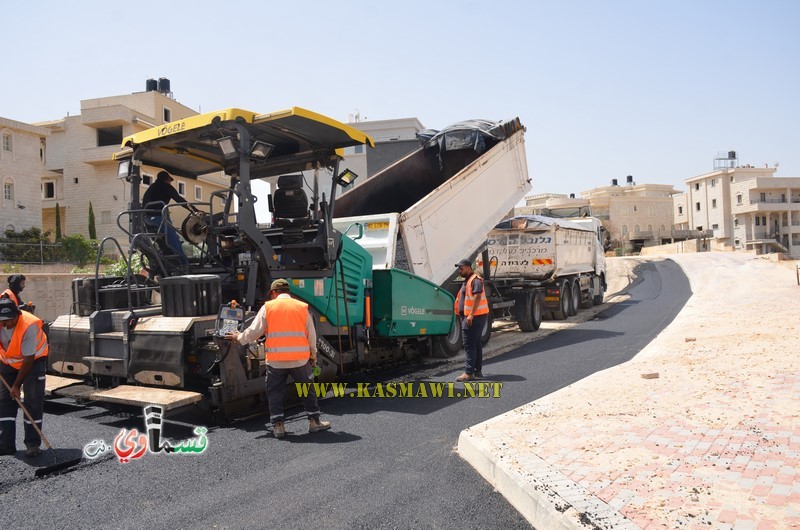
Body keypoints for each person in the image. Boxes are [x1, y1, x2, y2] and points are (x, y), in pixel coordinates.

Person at [225, 279, 331, 439]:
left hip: (276, 360)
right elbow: (311, 334)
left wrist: (238, 337)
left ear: (274, 293)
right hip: (299, 359)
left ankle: (279, 426)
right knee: (307, 389)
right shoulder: (302, 307)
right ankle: (314, 422)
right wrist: (313, 355)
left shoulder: (268, 307)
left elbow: (254, 332)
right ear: (288, 292)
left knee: (275, 392)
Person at [0, 298, 49, 457]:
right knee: (5, 401)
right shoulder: (2, 323)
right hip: (8, 362)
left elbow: (28, 359)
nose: (5, 324)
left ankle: (33, 444)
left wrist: (16, 385)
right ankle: (6, 445)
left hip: (33, 362)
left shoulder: (29, 325)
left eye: (9, 320)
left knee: (32, 400)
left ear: (17, 315)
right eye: (2, 321)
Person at [141, 170, 190, 266]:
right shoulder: (167, 187)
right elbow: (179, 199)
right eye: (169, 180)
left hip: (147, 219)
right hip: (159, 218)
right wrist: (194, 210)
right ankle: (184, 264)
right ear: (167, 179)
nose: (170, 182)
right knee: (173, 239)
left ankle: (169, 260)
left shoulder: (151, 187)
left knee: (169, 238)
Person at [453, 258, 489, 382]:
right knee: (476, 344)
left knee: (469, 345)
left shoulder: (475, 280)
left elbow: (478, 296)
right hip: (473, 317)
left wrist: (471, 315)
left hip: (474, 317)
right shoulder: (468, 280)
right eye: (459, 268)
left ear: (468, 268)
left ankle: (469, 373)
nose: (459, 270)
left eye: (461, 268)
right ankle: (477, 370)